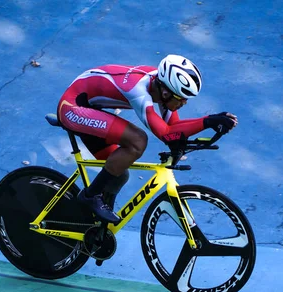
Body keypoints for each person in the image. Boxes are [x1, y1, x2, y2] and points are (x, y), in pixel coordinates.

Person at [57, 54, 238, 223]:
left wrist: (208, 123)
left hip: (89, 106)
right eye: (181, 99)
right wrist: (207, 121)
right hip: (72, 107)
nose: (184, 103)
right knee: (138, 141)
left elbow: (174, 129)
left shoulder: (159, 84)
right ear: (166, 92)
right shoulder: (138, 91)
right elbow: (166, 134)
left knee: (118, 175)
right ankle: (90, 196)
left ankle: (96, 226)